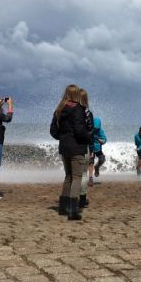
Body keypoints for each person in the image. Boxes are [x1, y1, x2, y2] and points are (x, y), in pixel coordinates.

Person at [50, 85, 92, 220]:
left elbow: (53, 131)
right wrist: (88, 138)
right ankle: (72, 211)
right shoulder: (78, 109)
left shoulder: (59, 109)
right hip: (77, 147)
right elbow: (80, 130)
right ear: (76, 95)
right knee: (77, 177)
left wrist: (63, 138)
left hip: (64, 147)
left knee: (68, 176)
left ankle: (63, 207)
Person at [78, 88, 94, 209]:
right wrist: (92, 148)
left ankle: (71, 198)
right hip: (84, 146)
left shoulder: (67, 111)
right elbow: (90, 132)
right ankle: (82, 199)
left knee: (71, 175)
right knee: (83, 174)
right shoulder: (88, 112)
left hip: (68, 146)